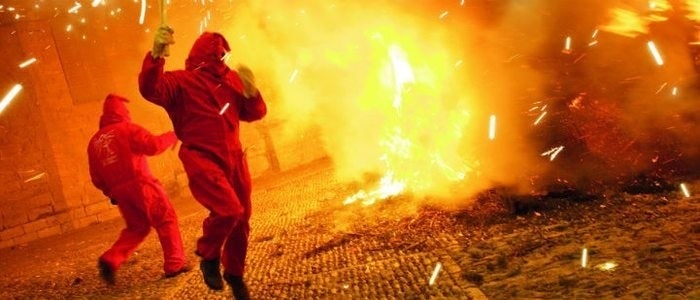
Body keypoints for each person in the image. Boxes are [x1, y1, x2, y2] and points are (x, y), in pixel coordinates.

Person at [138, 26, 267, 300]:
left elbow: (253, 114)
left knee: (241, 220)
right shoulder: (181, 82)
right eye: (219, 56)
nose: (223, 60)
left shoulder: (230, 80)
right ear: (208, 56)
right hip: (202, 157)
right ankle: (208, 254)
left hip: (234, 159)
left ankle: (235, 273)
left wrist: (252, 91)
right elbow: (150, 88)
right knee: (229, 210)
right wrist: (156, 55)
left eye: (224, 56)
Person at [87, 94, 190, 284]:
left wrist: (111, 192)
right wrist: (173, 134)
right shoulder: (127, 129)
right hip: (141, 184)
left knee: (137, 228)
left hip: (119, 192)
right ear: (122, 112)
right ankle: (174, 265)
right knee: (165, 219)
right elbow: (153, 146)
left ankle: (111, 259)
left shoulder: (94, 143)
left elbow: (96, 177)